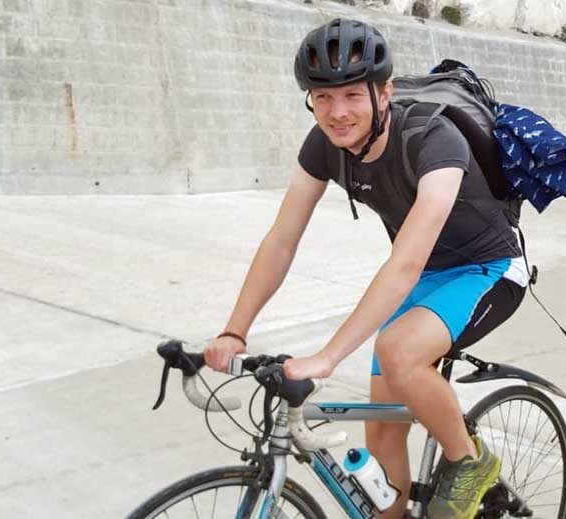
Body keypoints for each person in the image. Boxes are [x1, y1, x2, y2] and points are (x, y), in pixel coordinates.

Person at [204, 18, 528, 519]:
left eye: (353, 95)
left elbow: (406, 261)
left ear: (384, 93)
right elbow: (281, 240)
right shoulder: (324, 147)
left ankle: (470, 461)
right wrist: (234, 330)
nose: (337, 113)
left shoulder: (432, 138)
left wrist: (328, 357)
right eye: (322, 97)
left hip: (488, 269)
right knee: (381, 430)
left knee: (397, 350)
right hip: (424, 278)